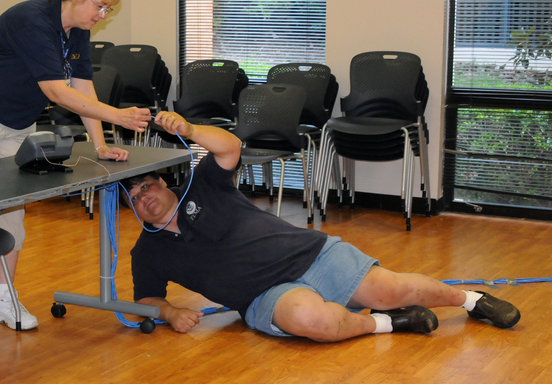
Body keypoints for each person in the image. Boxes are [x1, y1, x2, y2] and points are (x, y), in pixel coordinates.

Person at [123, 111, 521, 340]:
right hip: (266, 296)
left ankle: (471, 300)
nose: (144, 197)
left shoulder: (203, 184)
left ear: (163, 182)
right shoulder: (148, 251)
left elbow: (230, 147)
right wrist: (170, 313)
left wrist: (189, 130)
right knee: (311, 322)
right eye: (135, 197)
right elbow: (145, 300)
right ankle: (389, 322)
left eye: (147, 185)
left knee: (393, 288)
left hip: (310, 255)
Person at [0, 0, 151, 333]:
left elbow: (83, 87)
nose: (102, 16)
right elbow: (56, 91)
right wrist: (118, 115)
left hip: (17, 122)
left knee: (12, 210)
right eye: (99, 7)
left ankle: (1, 299)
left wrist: (100, 144)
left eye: (107, 10)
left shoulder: (77, 29)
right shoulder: (30, 20)